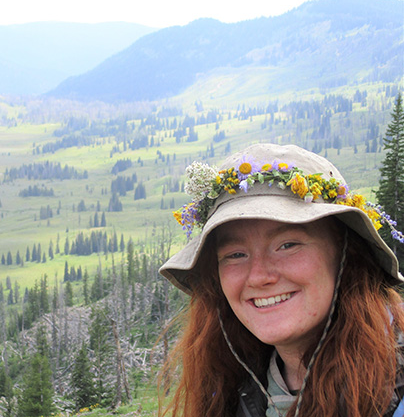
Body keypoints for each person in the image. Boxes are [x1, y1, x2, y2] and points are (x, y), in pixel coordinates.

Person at [158, 144, 404, 417]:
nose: (260, 276)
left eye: (287, 245)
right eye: (236, 254)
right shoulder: (230, 387)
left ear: (347, 253)